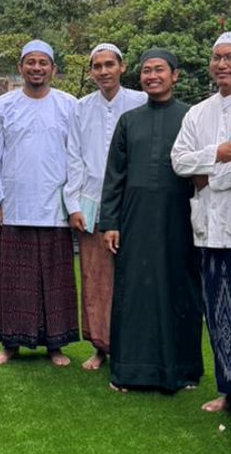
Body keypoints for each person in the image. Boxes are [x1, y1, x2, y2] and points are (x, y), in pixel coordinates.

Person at [171, 32, 231, 411]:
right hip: (208, 232)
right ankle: (228, 390)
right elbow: (179, 162)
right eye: (216, 57)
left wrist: (209, 173)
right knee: (218, 315)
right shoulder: (198, 112)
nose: (222, 64)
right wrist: (218, 154)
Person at [100, 48, 203, 393]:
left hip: (181, 216)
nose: (152, 76)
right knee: (134, 290)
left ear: (175, 75)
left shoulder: (192, 116)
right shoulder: (129, 120)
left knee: (181, 288)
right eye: (146, 71)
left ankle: (183, 368)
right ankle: (129, 369)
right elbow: (114, 175)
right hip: (135, 218)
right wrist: (110, 222)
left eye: (159, 70)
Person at [0, 40, 79, 367]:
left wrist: (75, 203)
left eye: (43, 63)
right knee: (14, 281)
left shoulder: (69, 105)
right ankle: (11, 344)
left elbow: (76, 158)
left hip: (56, 206)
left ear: (53, 68)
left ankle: (56, 346)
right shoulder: (4, 105)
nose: (36, 68)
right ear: (20, 67)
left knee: (55, 280)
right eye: (30, 62)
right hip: (16, 206)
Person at [65, 42, 147, 371]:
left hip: (134, 204)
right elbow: (73, 158)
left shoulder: (141, 102)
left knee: (135, 275)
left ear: (122, 67)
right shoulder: (81, 108)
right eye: (97, 66)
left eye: (109, 64)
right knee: (95, 277)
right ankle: (100, 346)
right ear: (90, 72)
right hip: (91, 202)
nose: (103, 71)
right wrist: (73, 204)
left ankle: (135, 344)